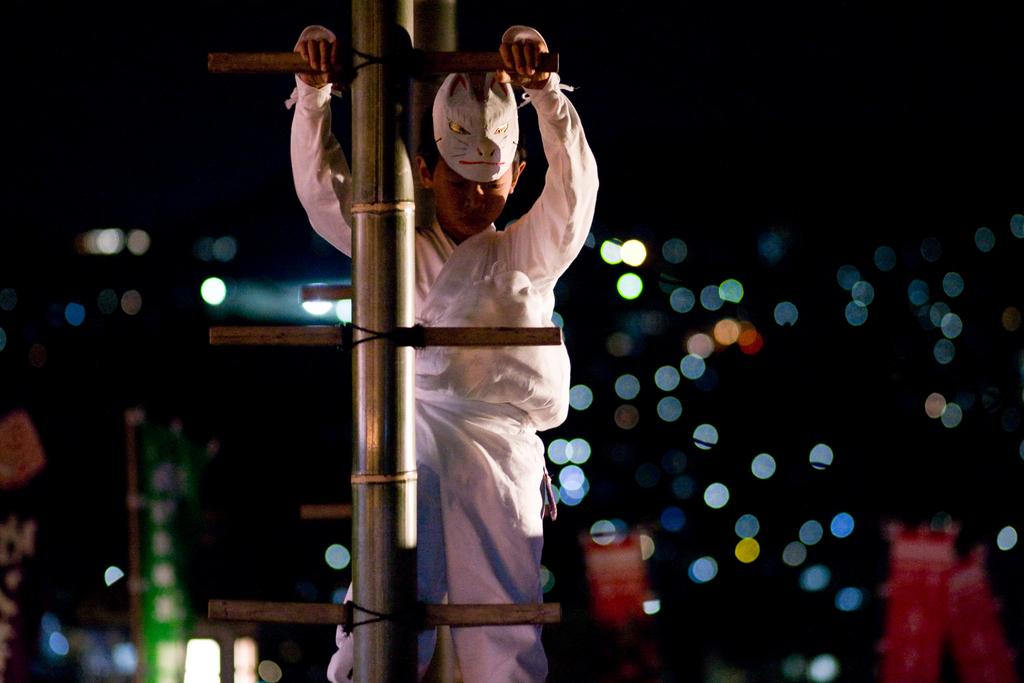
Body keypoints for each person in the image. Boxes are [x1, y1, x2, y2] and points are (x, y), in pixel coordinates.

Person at [289, 22, 598, 682]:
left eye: (489, 183)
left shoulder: (526, 252)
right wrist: (313, 92)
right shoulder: (392, 242)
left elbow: (573, 197)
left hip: (501, 445)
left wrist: (545, 92)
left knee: (505, 620)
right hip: (411, 431)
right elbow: (325, 194)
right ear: (426, 169)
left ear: (517, 175)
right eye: (458, 179)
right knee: (385, 593)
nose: (473, 195)